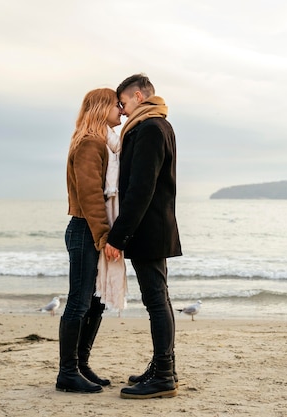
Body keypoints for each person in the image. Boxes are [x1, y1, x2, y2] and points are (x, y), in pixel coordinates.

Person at [104, 74, 182, 399]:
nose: (121, 110)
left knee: (156, 301)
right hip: (154, 227)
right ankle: (164, 366)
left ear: (138, 96)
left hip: (149, 229)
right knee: (159, 299)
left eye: (123, 103)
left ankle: (164, 375)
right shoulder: (157, 124)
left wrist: (117, 236)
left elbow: (140, 188)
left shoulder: (150, 128)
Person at [57, 88, 122, 394]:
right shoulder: (90, 143)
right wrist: (104, 236)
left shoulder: (104, 144)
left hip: (91, 229)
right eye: (116, 105)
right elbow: (90, 195)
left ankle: (81, 365)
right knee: (79, 301)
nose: (121, 110)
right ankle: (67, 372)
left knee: (94, 302)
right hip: (86, 229)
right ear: (101, 107)